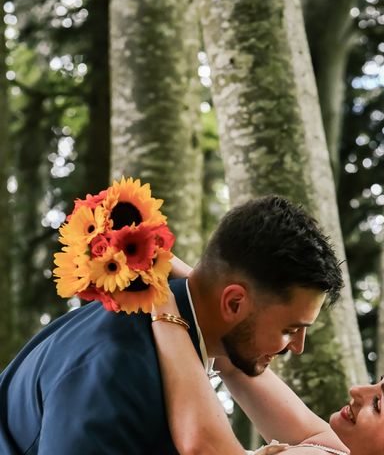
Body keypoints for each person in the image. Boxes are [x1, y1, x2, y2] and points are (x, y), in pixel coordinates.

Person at [0, 195, 344, 454]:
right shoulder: (118, 366)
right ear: (234, 302)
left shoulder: (182, 331)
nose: (297, 347)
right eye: (290, 329)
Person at [152, 283, 384, 455]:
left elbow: (203, 448)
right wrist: (150, 251)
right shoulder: (337, 450)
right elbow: (238, 357)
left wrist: (161, 303)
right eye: (377, 383)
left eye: (378, 404)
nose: (358, 391)